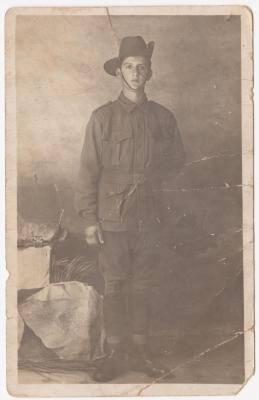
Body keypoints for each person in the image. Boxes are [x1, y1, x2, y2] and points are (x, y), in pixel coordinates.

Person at [75, 36, 185, 381]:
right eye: (129, 67)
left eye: (142, 67)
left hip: (150, 217)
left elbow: (177, 161)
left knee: (145, 285)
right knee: (116, 286)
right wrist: (90, 220)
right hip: (112, 220)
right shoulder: (102, 118)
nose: (136, 73)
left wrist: (149, 177)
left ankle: (140, 353)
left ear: (150, 72)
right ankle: (115, 354)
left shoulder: (163, 117)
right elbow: (88, 171)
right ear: (118, 72)